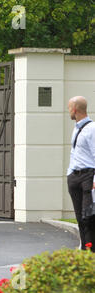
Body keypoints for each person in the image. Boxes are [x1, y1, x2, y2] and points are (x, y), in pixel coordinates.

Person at [66, 96, 95, 252]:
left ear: (75, 109)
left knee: (88, 216)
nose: (68, 110)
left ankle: (91, 250)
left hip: (88, 177)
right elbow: (74, 152)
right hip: (74, 177)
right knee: (79, 216)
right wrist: (69, 173)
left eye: (69, 107)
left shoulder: (92, 129)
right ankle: (83, 248)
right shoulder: (76, 128)